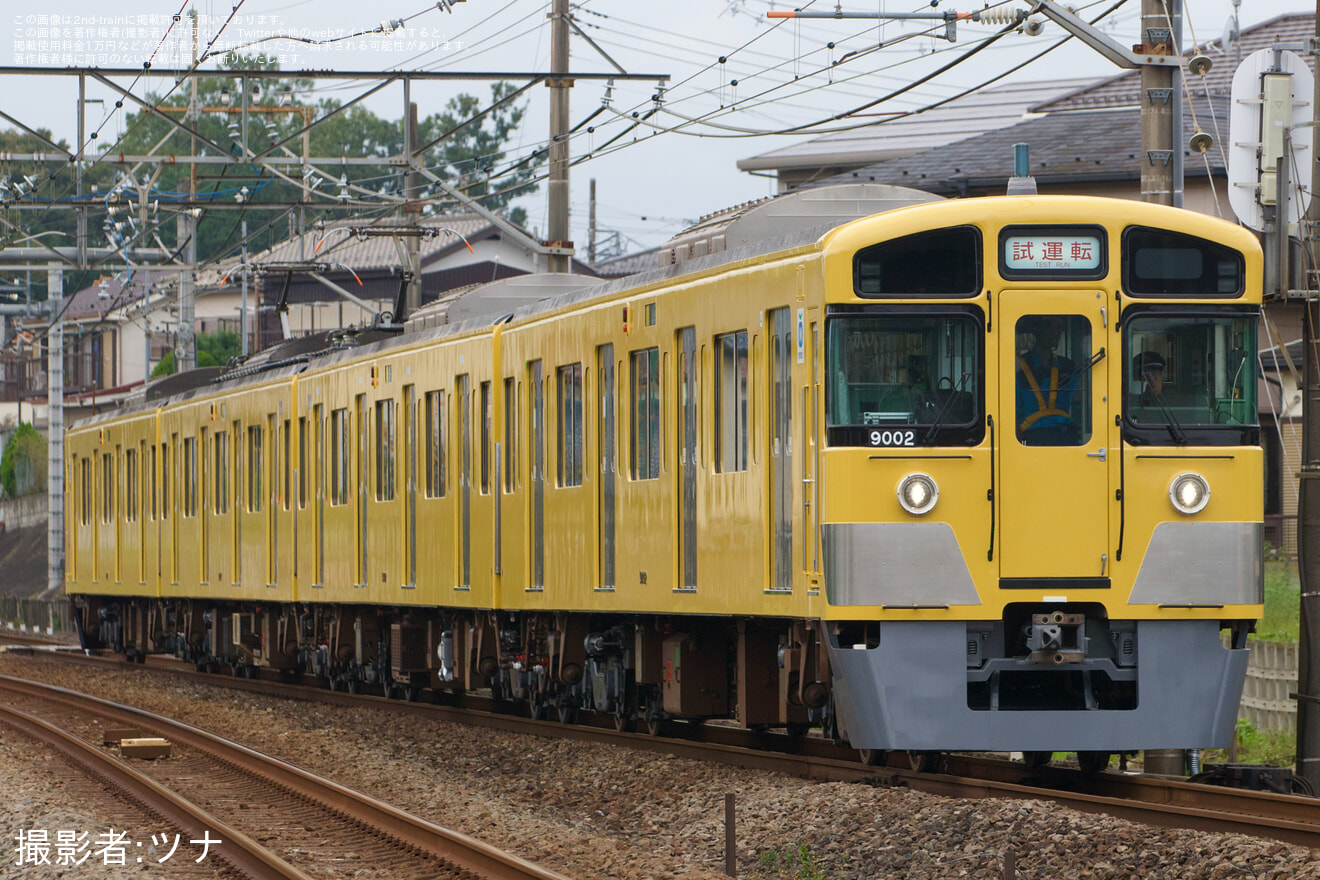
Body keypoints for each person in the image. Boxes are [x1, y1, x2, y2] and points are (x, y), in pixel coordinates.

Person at [1016, 315, 1079, 445]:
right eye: (1048, 328)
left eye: (1058, 329)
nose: (1054, 334)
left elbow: (1078, 400)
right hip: (1033, 437)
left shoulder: (1067, 366)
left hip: (1066, 436)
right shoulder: (1018, 366)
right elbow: (1012, 409)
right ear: (1037, 331)